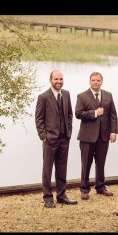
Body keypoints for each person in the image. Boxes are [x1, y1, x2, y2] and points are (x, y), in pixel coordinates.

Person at [35, 70, 77, 208]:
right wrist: (44, 136)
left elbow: (70, 115)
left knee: (62, 168)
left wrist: (68, 132)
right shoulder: (44, 97)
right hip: (50, 139)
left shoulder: (66, 94)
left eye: (61, 79)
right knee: (47, 170)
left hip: (64, 138)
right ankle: (48, 198)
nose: (59, 82)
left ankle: (61, 196)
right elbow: (39, 119)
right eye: (56, 79)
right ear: (50, 80)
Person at [75, 72, 118, 199]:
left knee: (101, 163)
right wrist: (94, 113)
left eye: (98, 80)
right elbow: (78, 113)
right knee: (86, 163)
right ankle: (84, 189)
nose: (95, 82)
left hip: (103, 136)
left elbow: (113, 115)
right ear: (89, 81)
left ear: (101, 82)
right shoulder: (82, 96)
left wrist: (113, 132)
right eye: (93, 80)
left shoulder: (108, 95)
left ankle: (100, 187)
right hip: (87, 137)